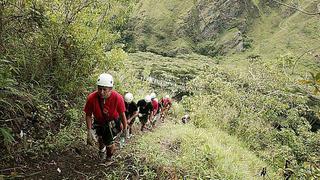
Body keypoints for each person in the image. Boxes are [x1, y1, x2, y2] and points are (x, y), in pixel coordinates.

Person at [84, 73, 127, 162]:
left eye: (104, 89)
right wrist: (89, 130)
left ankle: (109, 157)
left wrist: (125, 128)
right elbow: (88, 114)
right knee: (100, 139)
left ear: (110, 89)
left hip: (112, 123)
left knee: (109, 143)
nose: (101, 92)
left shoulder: (118, 98)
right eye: (99, 89)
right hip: (99, 122)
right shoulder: (92, 98)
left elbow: (122, 114)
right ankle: (102, 150)